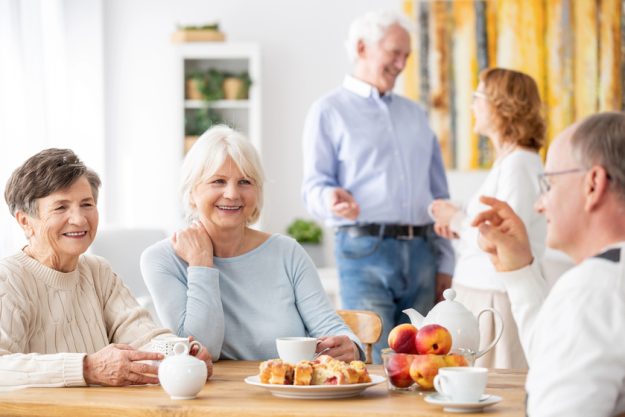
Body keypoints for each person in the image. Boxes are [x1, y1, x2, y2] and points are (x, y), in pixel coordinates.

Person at [300, 10, 454, 363]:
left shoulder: (416, 115)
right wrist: (329, 198)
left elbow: (439, 197)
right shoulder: (328, 110)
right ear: (361, 47)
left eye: (407, 56)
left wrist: (446, 261)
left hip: (422, 253)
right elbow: (313, 186)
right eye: (394, 52)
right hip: (363, 251)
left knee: (423, 362)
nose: (402, 64)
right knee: (373, 360)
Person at [140, 125, 363, 362]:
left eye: (245, 182)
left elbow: (329, 325)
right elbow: (202, 351)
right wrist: (201, 264)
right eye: (218, 181)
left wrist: (353, 348)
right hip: (210, 396)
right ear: (192, 191)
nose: (232, 194)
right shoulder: (161, 259)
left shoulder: (287, 253)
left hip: (287, 391)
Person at [0, 148, 213, 389]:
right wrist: (86, 368)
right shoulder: (8, 279)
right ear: (25, 221)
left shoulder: (97, 271)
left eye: (86, 204)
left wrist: (179, 351)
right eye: (61, 207)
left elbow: (141, 334)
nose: (79, 219)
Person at [472, 112, 625, 416]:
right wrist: (518, 273)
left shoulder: (594, 289)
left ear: (593, 184)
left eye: (549, 184)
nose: (539, 204)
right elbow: (554, 360)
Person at [429, 68, 547, 368]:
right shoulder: (510, 162)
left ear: (502, 105)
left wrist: (456, 219)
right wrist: (458, 222)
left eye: (477, 97)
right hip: (484, 295)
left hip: (494, 299)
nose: (472, 105)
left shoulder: (518, 164)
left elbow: (505, 241)